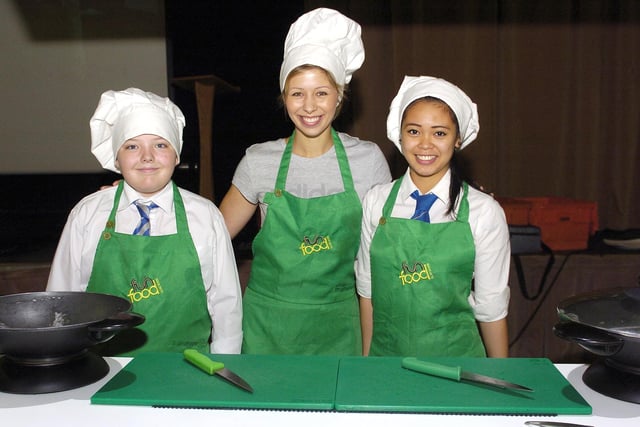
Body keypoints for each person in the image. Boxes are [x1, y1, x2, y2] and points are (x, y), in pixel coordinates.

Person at [219, 8, 392, 355]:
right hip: (268, 325)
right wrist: (137, 198)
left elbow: (387, 247)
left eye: (322, 93)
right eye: (297, 93)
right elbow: (208, 234)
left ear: (340, 96)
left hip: (339, 325)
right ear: (283, 97)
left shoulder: (368, 160)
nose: (309, 106)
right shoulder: (259, 161)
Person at [47, 88, 243, 356]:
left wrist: (223, 366)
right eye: (132, 146)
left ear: (176, 155)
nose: (147, 156)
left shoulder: (205, 216)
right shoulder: (87, 214)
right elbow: (61, 301)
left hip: (188, 370)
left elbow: (225, 304)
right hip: (103, 370)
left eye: (160, 145)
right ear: (117, 158)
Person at [356, 76, 510, 358]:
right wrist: (367, 365)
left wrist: (499, 381)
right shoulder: (376, 202)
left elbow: (491, 309)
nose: (425, 144)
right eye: (414, 131)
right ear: (399, 135)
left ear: (458, 139)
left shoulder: (483, 212)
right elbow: (367, 292)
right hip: (386, 365)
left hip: (458, 369)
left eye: (439, 133)